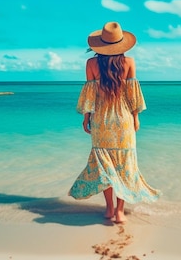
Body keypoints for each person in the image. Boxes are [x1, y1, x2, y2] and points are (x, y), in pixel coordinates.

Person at [68, 21, 160, 223]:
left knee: (105, 167)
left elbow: (90, 95)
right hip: (123, 119)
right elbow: (133, 94)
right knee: (124, 166)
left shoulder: (91, 64)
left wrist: (86, 117)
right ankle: (119, 212)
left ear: (100, 44)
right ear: (121, 44)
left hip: (101, 119)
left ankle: (108, 209)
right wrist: (136, 117)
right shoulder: (129, 63)